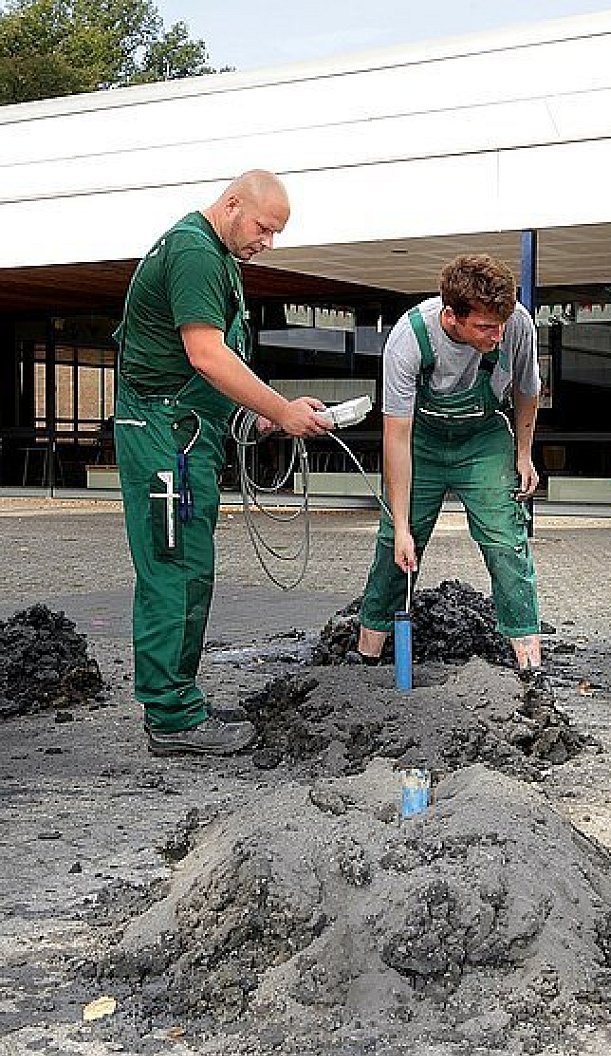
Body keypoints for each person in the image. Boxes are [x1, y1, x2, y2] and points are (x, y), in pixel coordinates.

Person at [114, 170, 328, 757]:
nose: (269, 242)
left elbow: (213, 368)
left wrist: (253, 416)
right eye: (264, 226)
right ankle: (171, 718)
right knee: (171, 569)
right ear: (233, 204)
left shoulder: (220, 257)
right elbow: (206, 355)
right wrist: (281, 410)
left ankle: (180, 695)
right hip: (160, 433)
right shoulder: (193, 252)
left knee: (193, 568)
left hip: (186, 432)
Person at [358, 253, 544, 681]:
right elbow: (397, 437)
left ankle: (531, 664)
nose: (497, 335)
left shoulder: (516, 325)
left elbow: (527, 390)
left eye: (502, 323)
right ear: (451, 316)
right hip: (420, 440)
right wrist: (402, 525)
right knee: (395, 547)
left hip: (483, 438)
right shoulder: (409, 339)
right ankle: (365, 658)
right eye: (484, 327)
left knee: (505, 542)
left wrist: (523, 453)